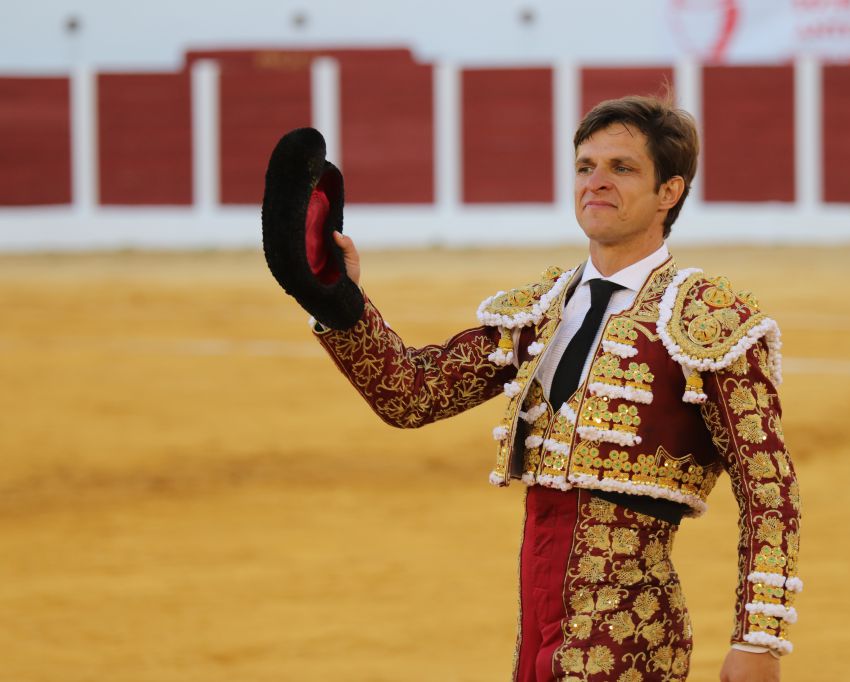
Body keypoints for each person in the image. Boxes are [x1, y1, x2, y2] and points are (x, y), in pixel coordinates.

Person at [261, 95, 801, 682]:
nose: (595, 182)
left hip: (629, 625)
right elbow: (414, 394)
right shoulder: (541, 309)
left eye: (622, 168)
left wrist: (760, 637)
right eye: (585, 166)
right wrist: (338, 303)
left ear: (669, 192)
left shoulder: (707, 319)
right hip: (537, 605)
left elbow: (768, 487)